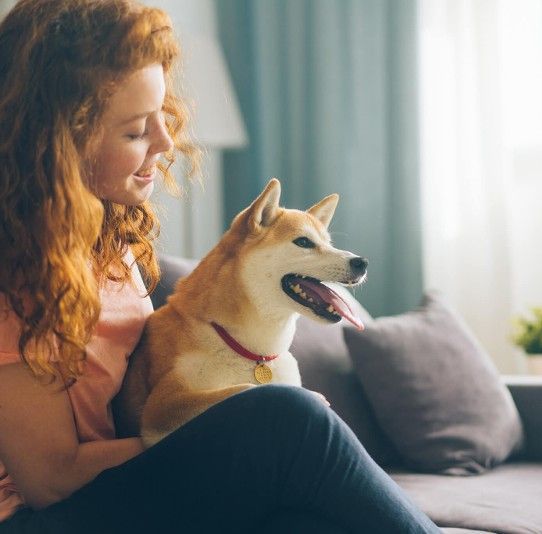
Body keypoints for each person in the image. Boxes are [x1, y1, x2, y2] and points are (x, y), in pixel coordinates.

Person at [0, 1, 440, 532]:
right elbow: (51, 481)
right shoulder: (15, 275)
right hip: (41, 516)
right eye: (136, 130)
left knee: (301, 515)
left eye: (162, 116)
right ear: (57, 145)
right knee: (289, 419)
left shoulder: (111, 244)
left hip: (125, 482)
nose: (165, 142)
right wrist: (238, 424)